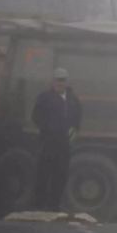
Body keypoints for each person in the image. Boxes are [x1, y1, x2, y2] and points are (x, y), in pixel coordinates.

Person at [32, 67, 82, 212]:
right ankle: (39, 205)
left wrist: (75, 129)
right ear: (53, 81)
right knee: (43, 174)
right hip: (48, 143)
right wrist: (47, 129)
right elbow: (35, 116)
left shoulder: (73, 99)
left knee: (60, 175)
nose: (60, 83)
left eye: (63, 80)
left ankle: (54, 205)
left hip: (64, 144)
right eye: (58, 80)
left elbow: (78, 117)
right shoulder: (44, 97)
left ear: (67, 81)